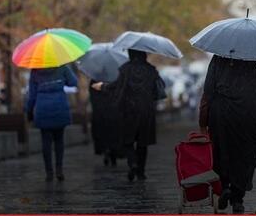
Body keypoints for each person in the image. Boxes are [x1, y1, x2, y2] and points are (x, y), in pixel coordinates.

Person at [199, 55, 256, 214]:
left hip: (221, 116)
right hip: (246, 116)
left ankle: (224, 187)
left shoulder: (217, 61)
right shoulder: (251, 63)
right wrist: (253, 106)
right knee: (243, 155)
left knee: (221, 152)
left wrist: (203, 121)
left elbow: (208, 90)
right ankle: (238, 198)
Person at [92, 49, 164, 181]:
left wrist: (102, 86)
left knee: (128, 141)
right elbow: (156, 91)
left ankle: (133, 163)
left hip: (129, 110)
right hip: (147, 111)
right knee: (143, 142)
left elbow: (118, 87)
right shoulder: (151, 70)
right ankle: (141, 172)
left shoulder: (125, 69)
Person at [25, 65, 77, 181]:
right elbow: (73, 82)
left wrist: (29, 111)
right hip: (59, 105)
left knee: (46, 141)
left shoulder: (35, 71)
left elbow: (32, 94)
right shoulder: (62, 67)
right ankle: (59, 170)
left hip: (43, 108)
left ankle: (49, 172)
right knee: (59, 140)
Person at [89, 79, 118, 167]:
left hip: (99, 112)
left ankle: (105, 151)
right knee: (113, 133)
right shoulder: (114, 78)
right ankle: (113, 154)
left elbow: (92, 96)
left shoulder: (94, 80)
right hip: (113, 112)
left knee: (102, 134)